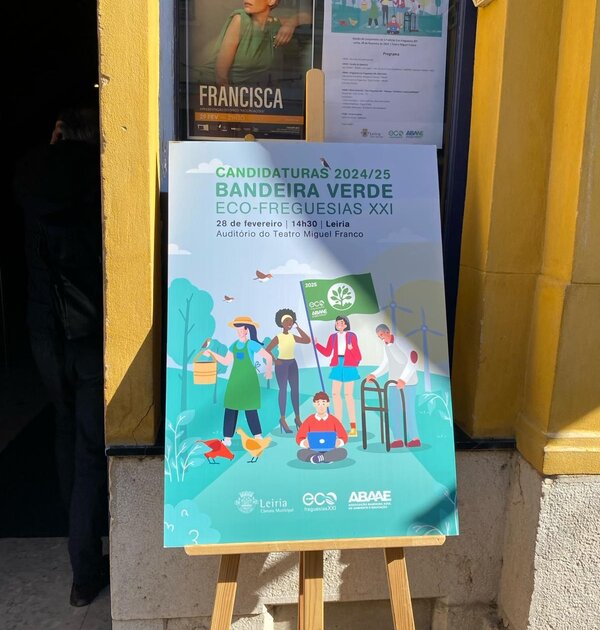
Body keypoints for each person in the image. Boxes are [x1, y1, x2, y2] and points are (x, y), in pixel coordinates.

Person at [13, 105, 108, 607]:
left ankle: (80, 557)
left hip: (43, 331)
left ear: (58, 132)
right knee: (91, 448)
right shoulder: (101, 176)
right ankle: (84, 573)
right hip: (89, 332)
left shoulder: (28, 175)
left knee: (65, 431)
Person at [204, 315, 273, 445]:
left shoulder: (251, 344)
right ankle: (227, 439)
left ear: (247, 330)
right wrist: (212, 353)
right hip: (235, 381)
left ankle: (258, 436)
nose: (240, 332)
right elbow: (226, 361)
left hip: (249, 381)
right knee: (230, 408)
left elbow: (268, 357)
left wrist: (268, 371)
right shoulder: (234, 346)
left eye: (242, 329)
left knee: (250, 408)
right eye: (238, 329)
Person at [200, 0, 288, 87]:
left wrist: (291, 24)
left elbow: (294, 19)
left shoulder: (273, 25)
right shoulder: (240, 19)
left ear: (271, 1)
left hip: (243, 90)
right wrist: (229, 94)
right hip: (211, 87)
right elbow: (221, 75)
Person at [366, 323, 421, 448]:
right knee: (394, 411)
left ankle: (415, 438)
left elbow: (413, 359)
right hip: (393, 383)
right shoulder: (386, 346)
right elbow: (386, 363)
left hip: (408, 383)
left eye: (382, 335)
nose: (381, 338)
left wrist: (403, 379)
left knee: (408, 410)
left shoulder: (401, 342)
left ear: (387, 332)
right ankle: (398, 439)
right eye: (379, 336)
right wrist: (374, 374)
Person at [314, 316, 361, 437]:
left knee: (348, 395)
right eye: (337, 323)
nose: (338, 325)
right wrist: (317, 345)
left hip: (349, 365)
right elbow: (327, 352)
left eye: (341, 323)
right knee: (335, 394)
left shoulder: (351, 336)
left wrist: (351, 349)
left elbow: (358, 355)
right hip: (337, 365)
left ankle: (353, 426)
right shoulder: (333, 337)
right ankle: (338, 425)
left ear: (346, 324)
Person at [266, 308, 310, 433]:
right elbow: (267, 349)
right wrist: (275, 361)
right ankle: (283, 419)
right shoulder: (278, 337)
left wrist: (298, 328)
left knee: (295, 390)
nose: (289, 323)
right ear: (281, 323)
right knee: (283, 390)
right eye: (287, 321)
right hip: (282, 365)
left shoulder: (292, 336)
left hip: (292, 364)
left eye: (291, 321)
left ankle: (297, 418)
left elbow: (307, 340)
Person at [296, 391, 348, 464]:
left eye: (323, 403)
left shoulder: (333, 420)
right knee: (300, 453)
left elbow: (344, 436)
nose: (321, 406)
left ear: (328, 404)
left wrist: (339, 442)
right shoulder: (309, 420)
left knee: (343, 452)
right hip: (313, 450)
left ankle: (319, 458)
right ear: (314, 404)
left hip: (330, 450)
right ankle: (324, 457)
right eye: (318, 403)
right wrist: (304, 443)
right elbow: (299, 437)